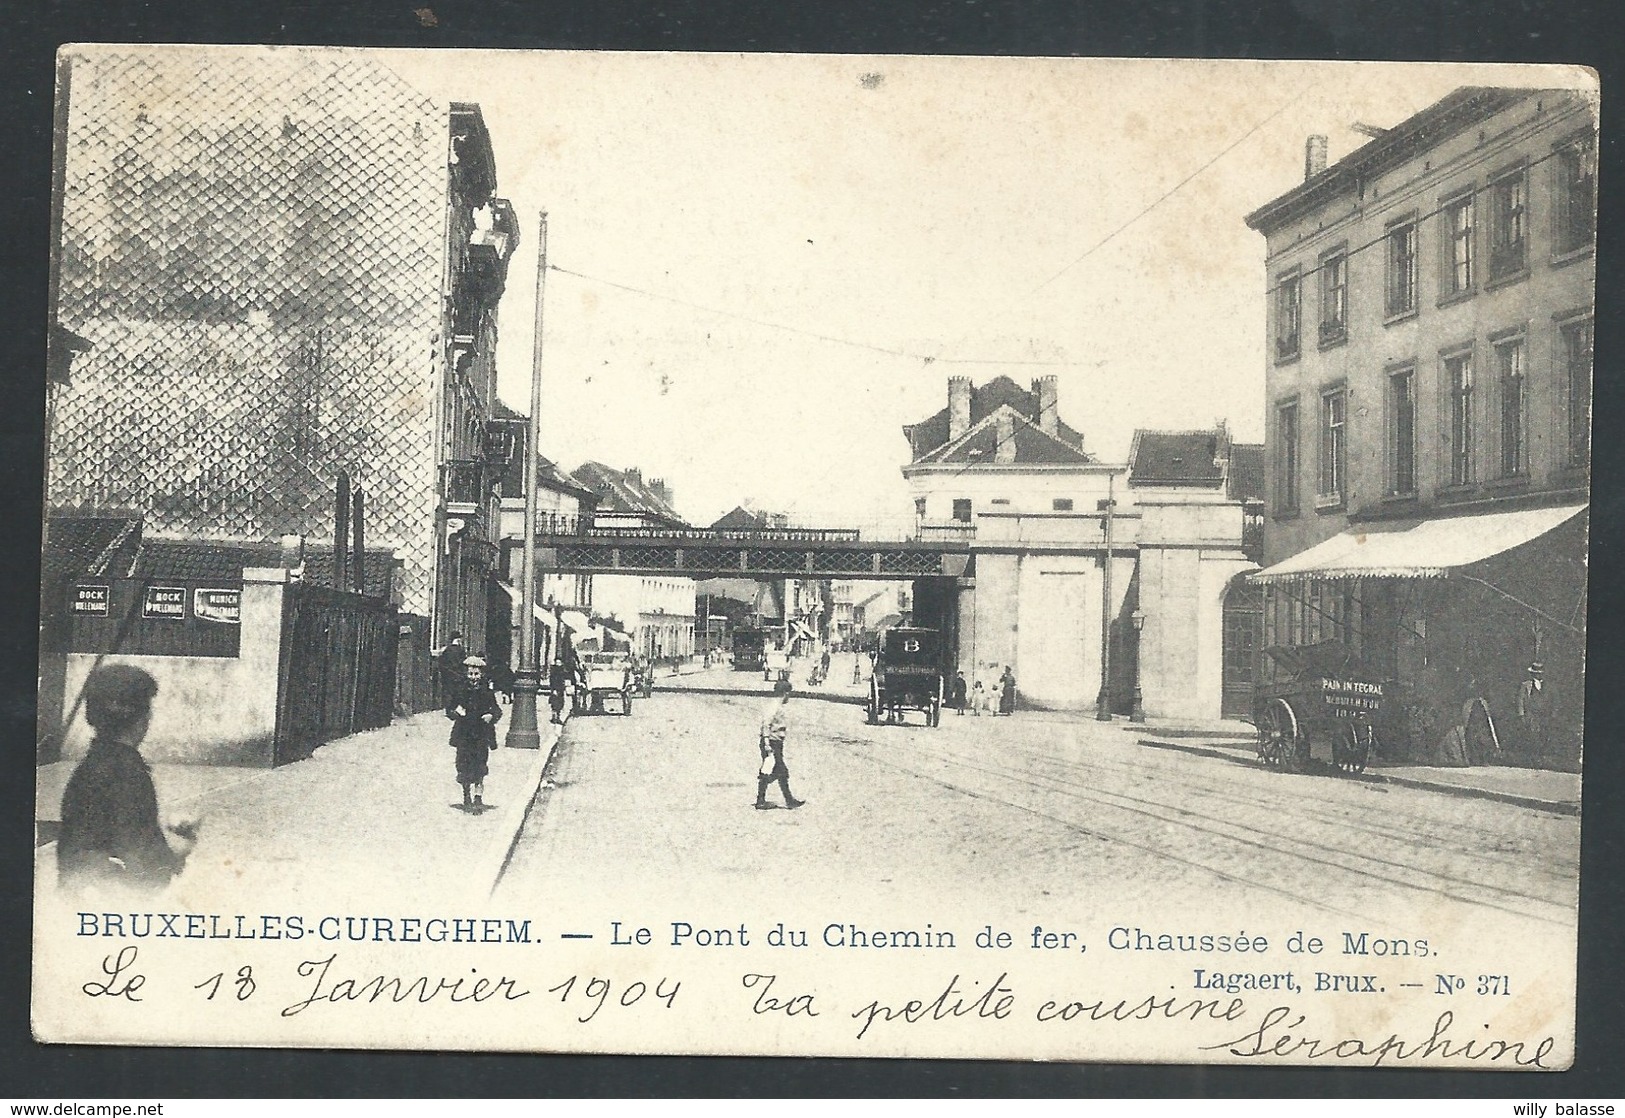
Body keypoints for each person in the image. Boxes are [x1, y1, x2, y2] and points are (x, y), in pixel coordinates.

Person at [58, 664, 197, 897]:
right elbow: (142, 861)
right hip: (110, 899)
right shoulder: (129, 773)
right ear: (143, 719)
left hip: (76, 894)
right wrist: (180, 847)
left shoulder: (88, 767)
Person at [447, 656, 502, 811]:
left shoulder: (487, 692)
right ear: (466, 674)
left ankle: (478, 797)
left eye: (476, 674)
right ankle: (466, 795)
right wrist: (456, 713)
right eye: (470, 674)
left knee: (480, 764)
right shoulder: (459, 690)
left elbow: (497, 710)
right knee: (463, 764)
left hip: (481, 733)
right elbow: (449, 709)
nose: (473, 678)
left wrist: (491, 716)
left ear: (481, 675)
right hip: (464, 732)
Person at [755, 678, 804, 810]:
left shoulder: (777, 705)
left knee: (777, 771)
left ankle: (787, 800)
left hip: (776, 742)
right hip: (771, 742)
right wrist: (766, 743)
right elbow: (766, 724)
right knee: (774, 770)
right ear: (786, 693)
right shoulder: (774, 706)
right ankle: (763, 801)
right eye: (789, 694)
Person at [548, 656, 570, 724]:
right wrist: (553, 689)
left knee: (560, 703)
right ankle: (554, 717)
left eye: (559, 662)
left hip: (560, 689)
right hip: (555, 688)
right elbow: (552, 680)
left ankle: (557, 717)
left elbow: (564, 678)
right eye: (557, 662)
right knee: (555, 703)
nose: (558, 663)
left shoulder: (562, 670)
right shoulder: (554, 671)